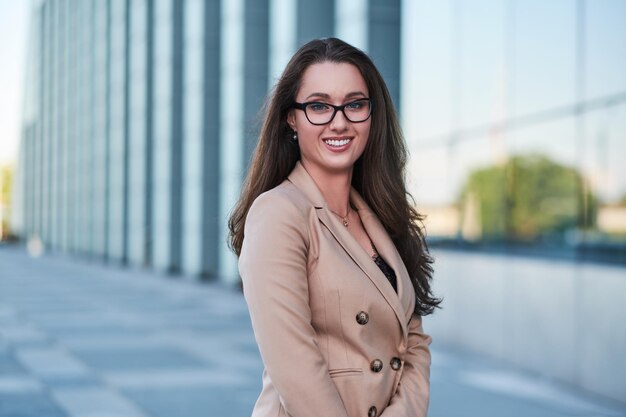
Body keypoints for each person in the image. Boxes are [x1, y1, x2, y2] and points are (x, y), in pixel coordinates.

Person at [229, 38, 440, 417]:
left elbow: (414, 342)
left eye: (355, 104)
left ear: (373, 116)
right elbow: (294, 365)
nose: (339, 121)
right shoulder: (279, 214)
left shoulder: (380, 214)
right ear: (291, 118)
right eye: (319, 106)